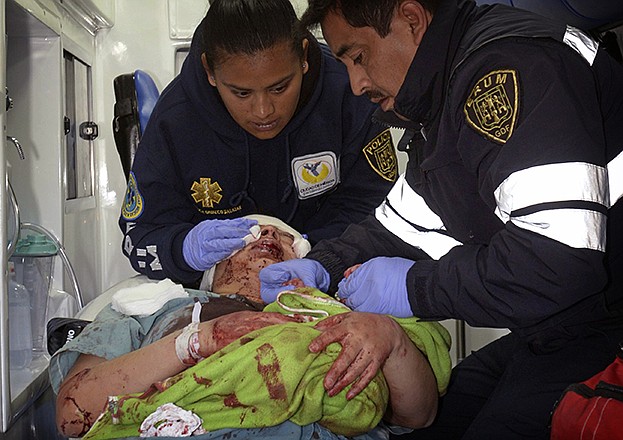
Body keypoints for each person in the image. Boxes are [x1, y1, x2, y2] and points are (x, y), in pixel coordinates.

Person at [258, 0, 623, 438]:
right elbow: (404, 223)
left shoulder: (512, 69)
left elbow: (554, 263)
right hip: (562, 321)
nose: (356, 84)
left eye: (359, 57)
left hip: (604, 321)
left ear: (410, 20)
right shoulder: (445, 97)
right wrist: (325, 264)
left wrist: (414, 288)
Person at [52, 215, 451, 439]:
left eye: (282, 235)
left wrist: (391, 338)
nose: (268, 235)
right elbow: (74, 414)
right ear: (212, 263)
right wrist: (195, 341)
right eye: (249, 233)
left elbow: (419, 416)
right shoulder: (152, 308)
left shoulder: (345, 313)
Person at [118, 0, 398, 287]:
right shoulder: (175, 120)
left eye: (279, 87)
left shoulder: (349, 96)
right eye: (241, 93)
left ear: (303, 57)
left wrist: (318, 255)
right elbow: (139, 237)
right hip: (217, 295)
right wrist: (183, 250)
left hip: (328, 278)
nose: (263, 111)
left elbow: (381, 211)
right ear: (210, 72)